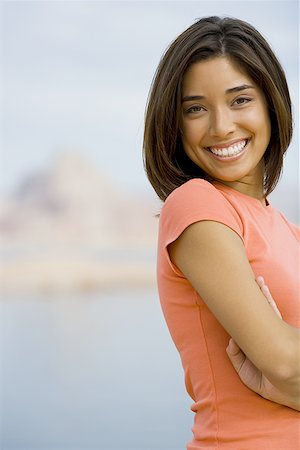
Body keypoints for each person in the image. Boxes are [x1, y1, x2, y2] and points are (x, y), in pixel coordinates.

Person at [143, 16, 300, 449]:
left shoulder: (289, 231)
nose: (220, 127)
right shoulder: (196, 204)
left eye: (240, 100)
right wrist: (284, 367)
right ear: (174, 123)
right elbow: (287, 364)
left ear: (271, 103)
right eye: (195, 108)